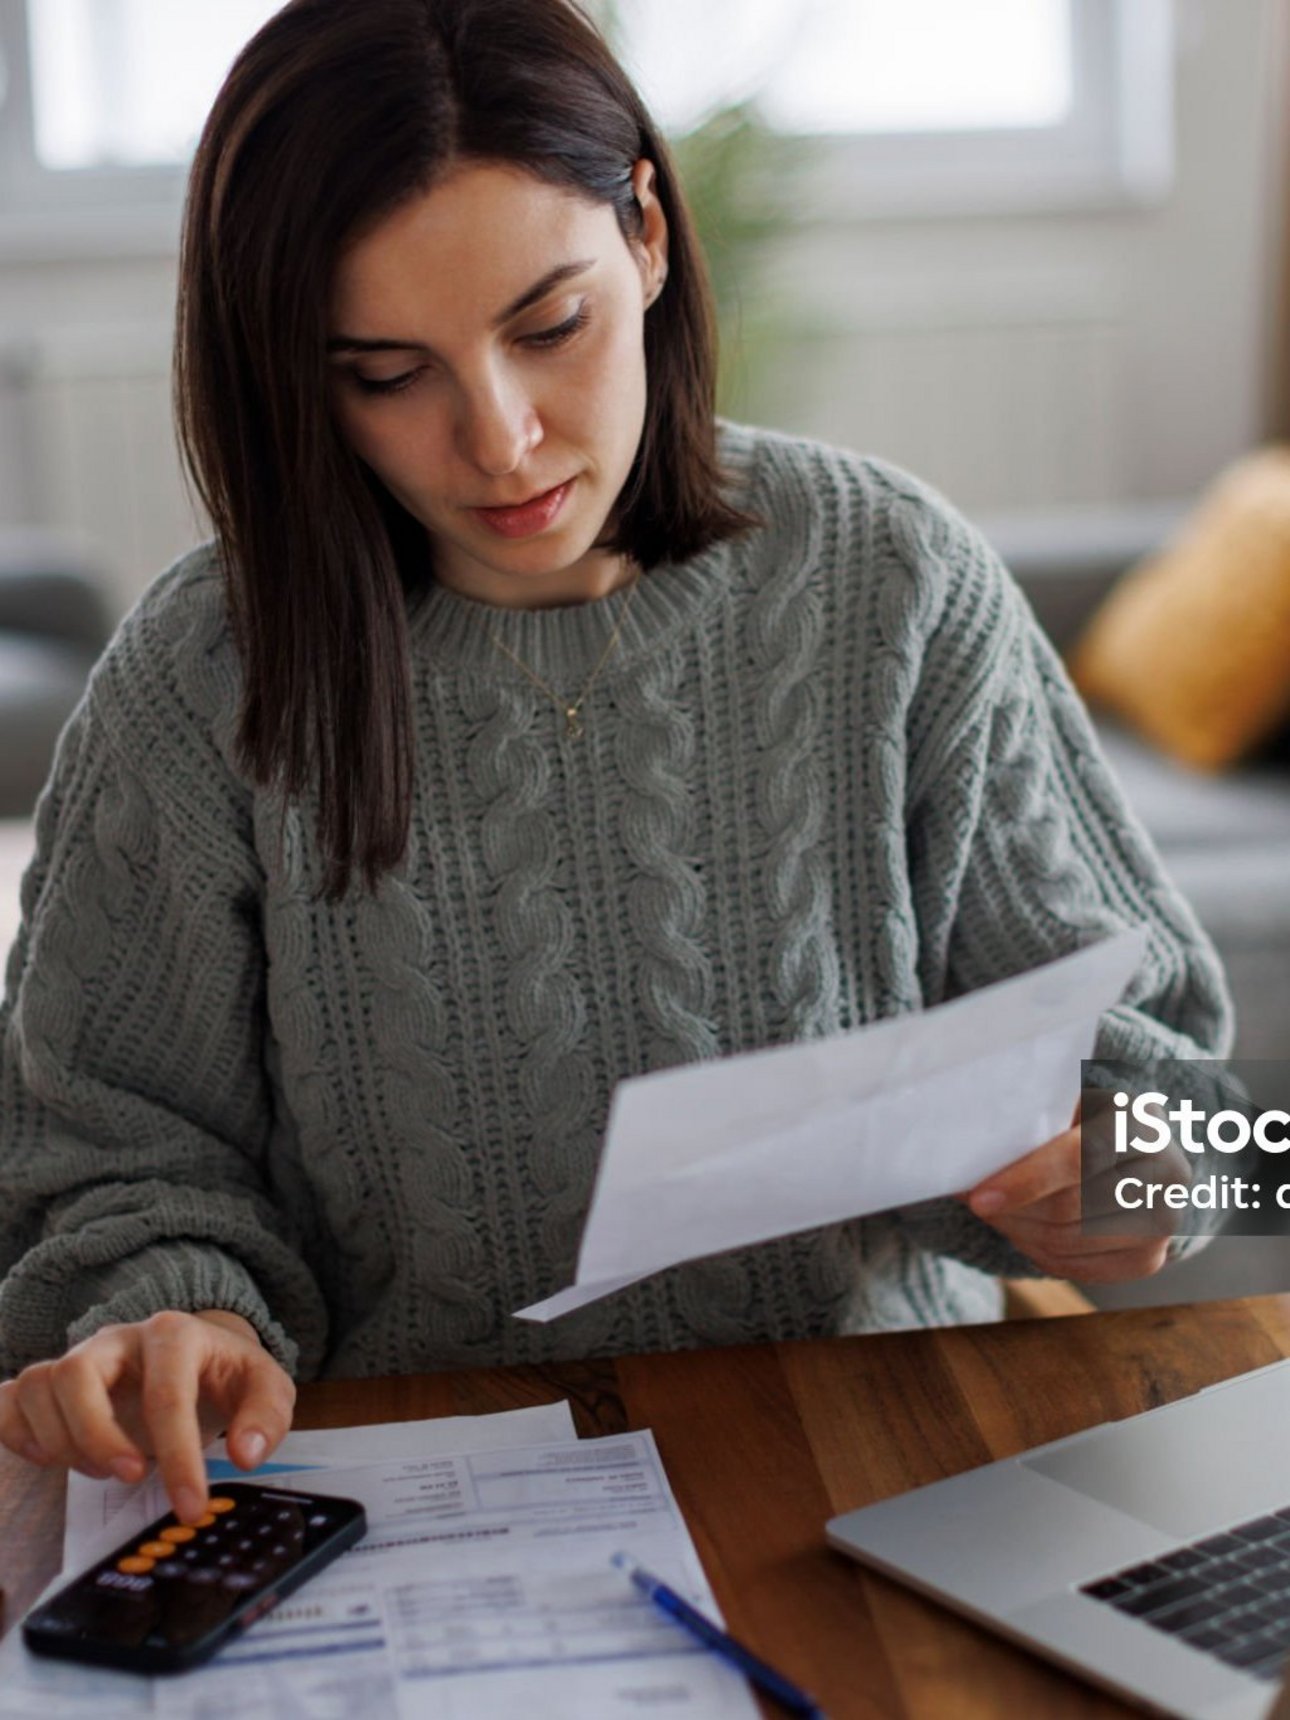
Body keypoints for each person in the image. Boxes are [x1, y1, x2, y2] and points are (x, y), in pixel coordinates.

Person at [0, 0, 1231, 1529]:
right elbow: (106, 1149)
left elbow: (1188, 1106)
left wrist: (1140, 1188)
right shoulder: (206, 677)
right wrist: (171, 1312)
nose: (501, 441)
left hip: (881, 1479)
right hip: (411, 1502)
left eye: (546, 326)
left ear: (645, 232)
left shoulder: (891, 582)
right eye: (388, 372)